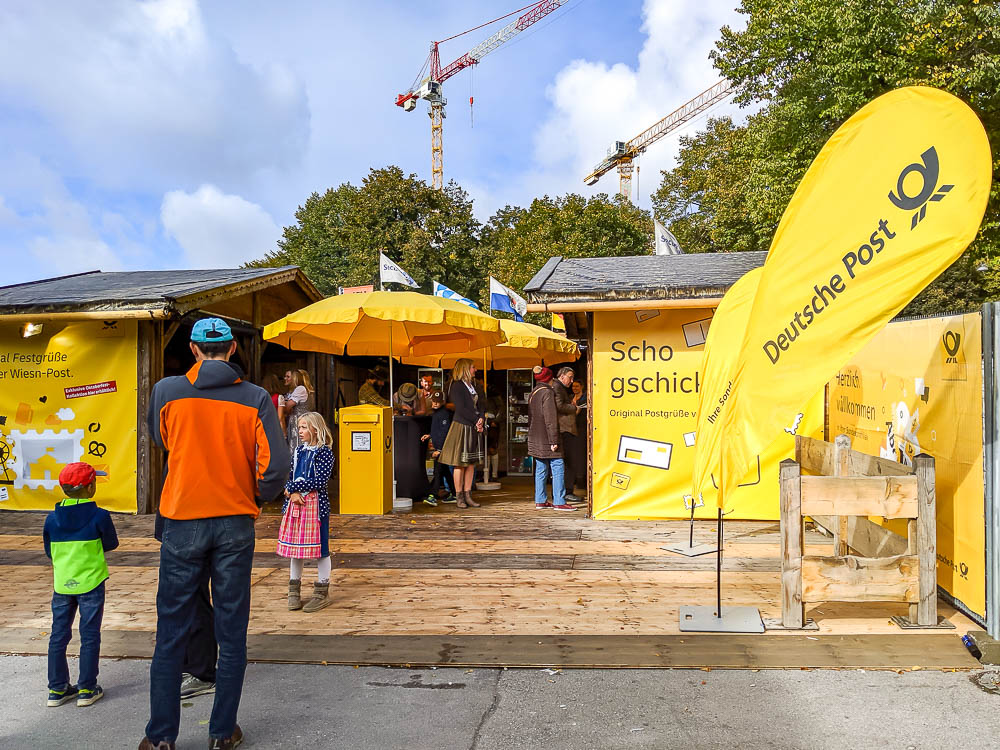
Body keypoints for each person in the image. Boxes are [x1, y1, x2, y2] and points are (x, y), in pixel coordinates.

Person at [140, 317, 290, 750]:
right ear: (232, 350)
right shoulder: (256, 397)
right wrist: (256, 497)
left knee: (171, 630)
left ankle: (161, 738)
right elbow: (276, 467)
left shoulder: (166, 391)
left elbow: (161, 438)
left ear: (193, 349)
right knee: (232, 628)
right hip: (234, 523)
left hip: (181, 520)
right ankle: (222, 732)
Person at [43, 461, 119, 709]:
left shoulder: (51, 519)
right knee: (89, 635)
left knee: (58, 635)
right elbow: (110, 544)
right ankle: (87, 688)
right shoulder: (100, 516)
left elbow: (48, 551)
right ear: (90, 486)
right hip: (92, 581)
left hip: (62, 583)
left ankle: (57, 689)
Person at [278, 412, 335, 612]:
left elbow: (321, 481)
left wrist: (293, 487)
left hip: (316, 507)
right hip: (296, 505)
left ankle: (322, 591)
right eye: (299, 427)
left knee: (321, 549)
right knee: (296, 549)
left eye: (303, 427)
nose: (299, 431)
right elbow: (291, 474)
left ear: (315, 429)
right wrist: (291, 491)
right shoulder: (299, 450)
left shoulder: (324, 453)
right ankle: (294, 590)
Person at [528, 366, 576, 511]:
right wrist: (554, 440)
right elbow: (550, 419)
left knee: (541, 468)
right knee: (558, 465)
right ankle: (560, 501)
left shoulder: (534, 392)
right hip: (547, 436)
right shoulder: (548, 392)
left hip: (535, 436)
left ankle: (540, 500)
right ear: (549, 378)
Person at [440, 358, 485, 509]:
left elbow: (482, 404)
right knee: (460, 464)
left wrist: (482, 419)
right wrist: (476, 420)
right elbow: (460, 408)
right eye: (473, 367)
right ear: (465, 369)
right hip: (462, 426)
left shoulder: (474, 386)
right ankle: (459, 496)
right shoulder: (457, 386)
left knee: (471, 463)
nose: (475, 370)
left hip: (473, 426)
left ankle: (468, 495)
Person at [552, 367, 582, 503]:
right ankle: (567, 492)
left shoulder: (558, 387)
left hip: (565, 428)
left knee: (567, 461)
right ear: (562, 376)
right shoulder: (557, 387)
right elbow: (559, 406)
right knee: (568, 461)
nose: (571, 380)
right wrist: (574, 407)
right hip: (564, 429)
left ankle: (563, 492)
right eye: (570, 377)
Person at [421, 391, 456, 506]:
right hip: (440, 447)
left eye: (438, 402)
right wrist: (430, 435)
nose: (435, 404)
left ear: (443, 402)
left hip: (442, 448)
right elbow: (437, 430)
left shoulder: (444, 414)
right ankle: (454, 494)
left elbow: (444, 432)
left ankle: (433, 496)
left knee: (437, 471)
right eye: (434, 401)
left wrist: (439, 450)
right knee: (445, 471)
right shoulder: (436, 413)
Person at [284, 369, 316, 453]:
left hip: (298, 420)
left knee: (297, 445)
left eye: (289, 377)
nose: (286, 378)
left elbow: (287, 407)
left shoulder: (300, 389)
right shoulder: (301, 390)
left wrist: (280, 401)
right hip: (302, 420)